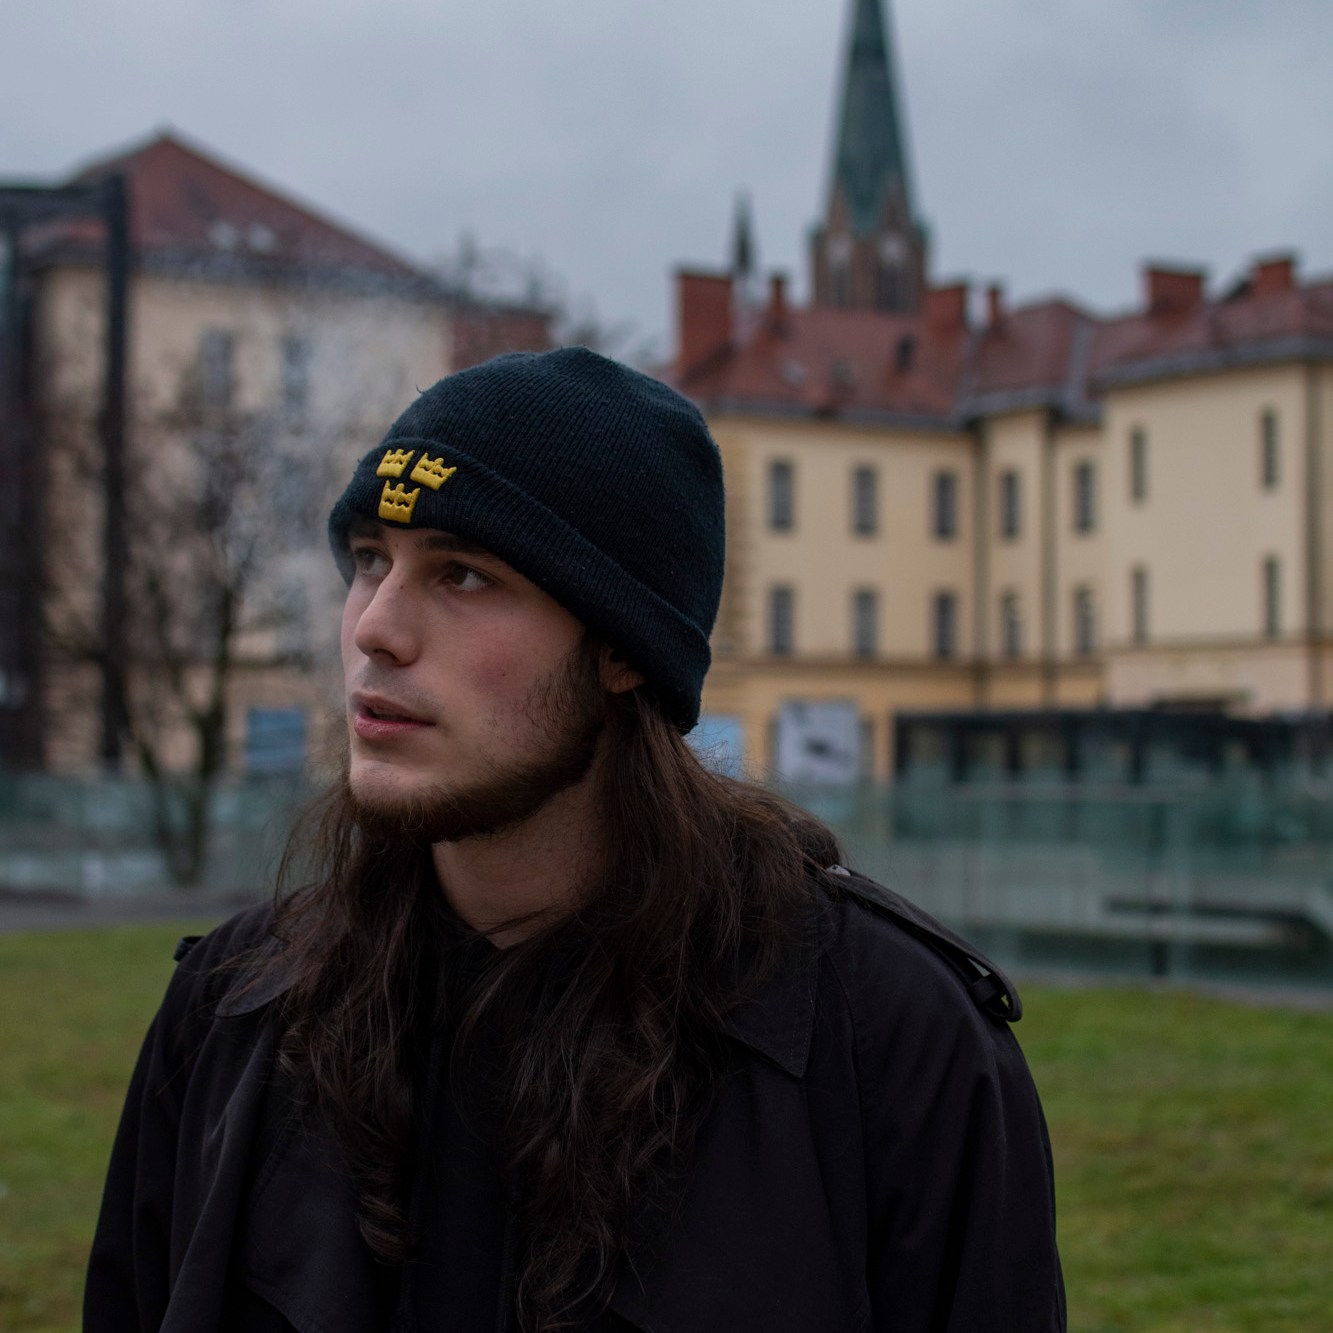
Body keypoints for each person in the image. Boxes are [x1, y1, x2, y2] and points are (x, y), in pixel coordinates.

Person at [85, 347, 1065, 1332]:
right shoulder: (236, 1012)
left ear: (622, 651)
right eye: (371, 559)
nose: (375, 628)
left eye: (463, 574)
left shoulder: (886, 1046)